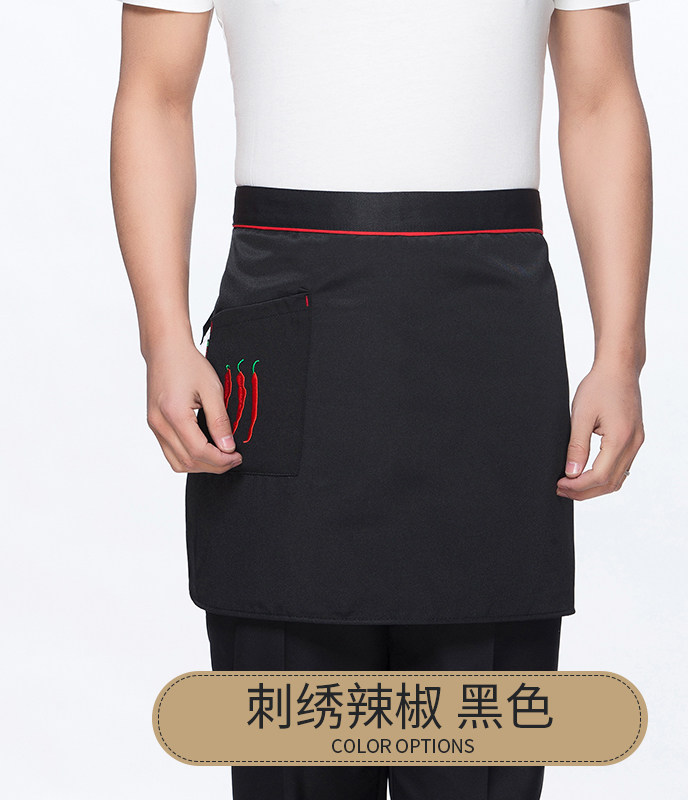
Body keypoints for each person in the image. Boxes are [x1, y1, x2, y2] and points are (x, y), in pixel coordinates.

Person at [110, 1, 650, 798]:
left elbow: (601, 99)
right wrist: (163, 336)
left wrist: (620, 352)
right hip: (292, 342)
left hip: (490, 354)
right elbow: (153, 93)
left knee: (482, 754)